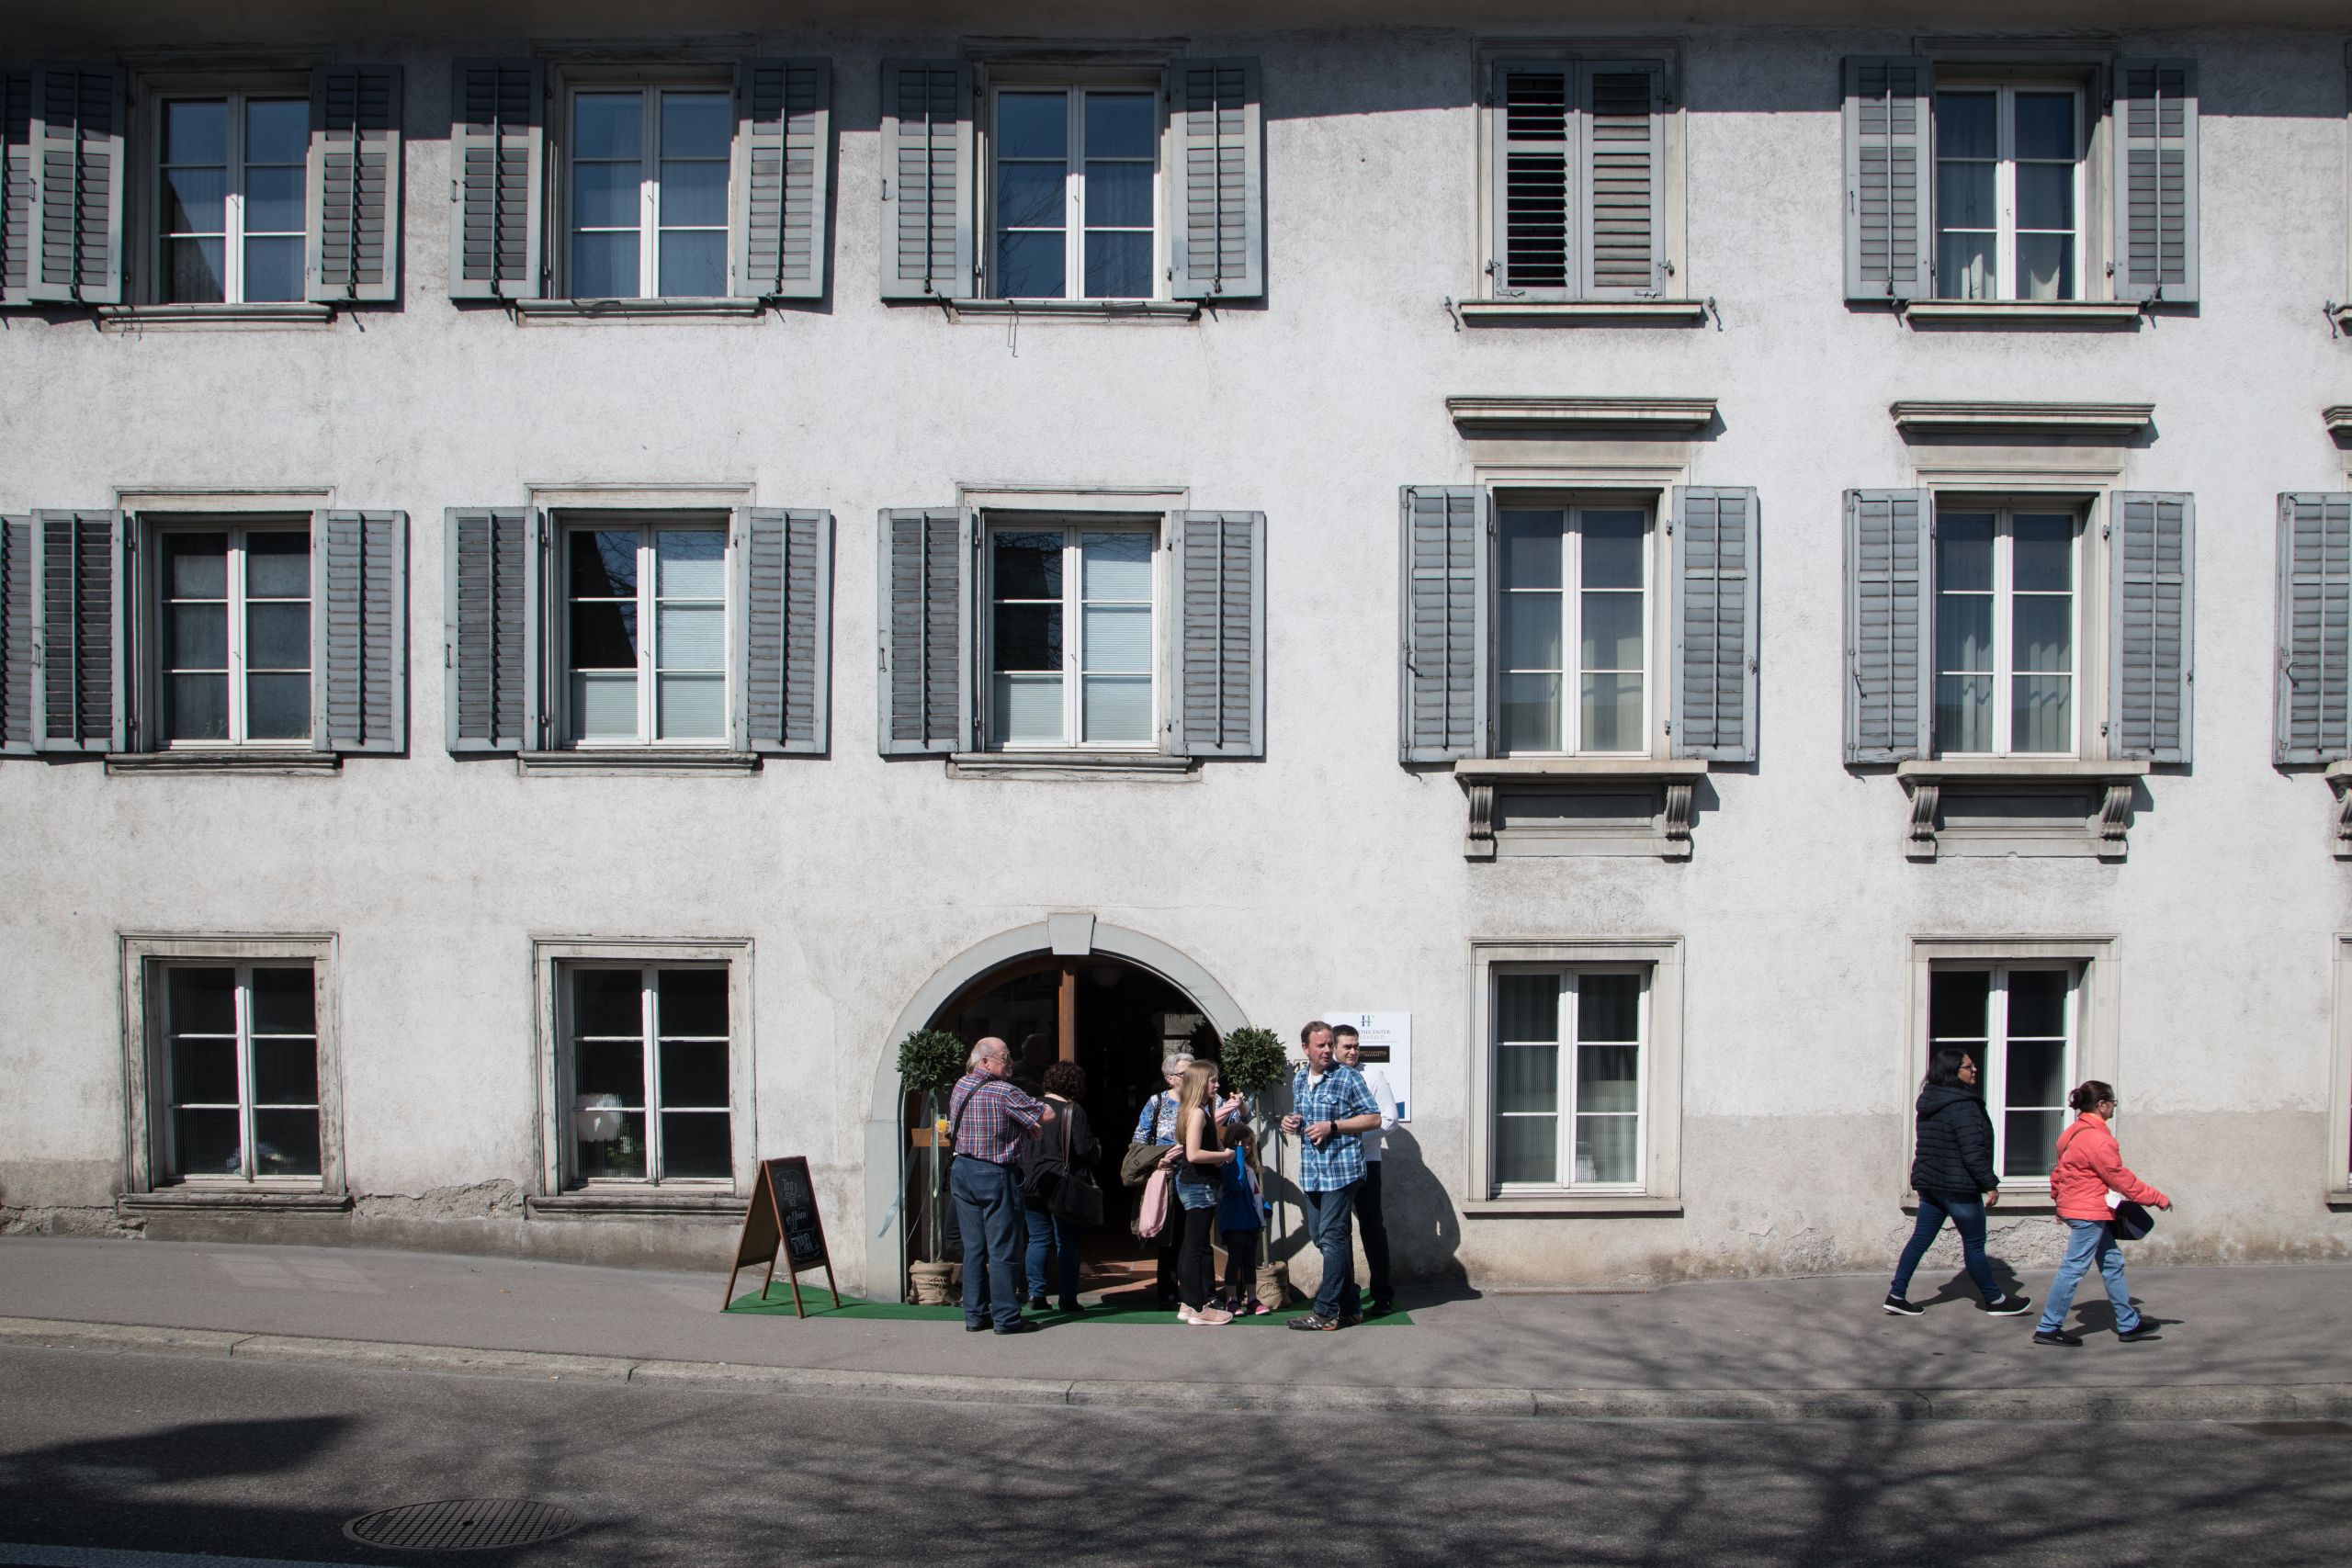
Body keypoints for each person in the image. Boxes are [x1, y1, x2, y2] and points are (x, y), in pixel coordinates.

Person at [1883, 1044, 2030, 1316]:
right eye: (1968, 1066)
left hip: (1931, 1185)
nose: (1975, 1070)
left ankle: (1896, 1294)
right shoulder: (1964, 1106)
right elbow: (1972, 1151)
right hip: (1958, 1186)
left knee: (1919, 1240)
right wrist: (1989, 1183)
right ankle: (1994, 1300)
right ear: (1953, 1071)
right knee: (1974, 1244)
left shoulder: (1929, 1101)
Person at [2033, 1081, 2172, 1347]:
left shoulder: (2072, 1133)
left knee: (2111, 1262)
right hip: (2088, 1211)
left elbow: (2060, 1172)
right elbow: (2120, 1179)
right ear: (2102, 1104)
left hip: (2082, 1207)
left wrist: (2058, 1201)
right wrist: (2156, 1198)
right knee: (2073, 1268)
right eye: (2113, 1104)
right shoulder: (2098, 1139)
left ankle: (2128, 1322)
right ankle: (2048, 1327)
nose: (2114, 1109)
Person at [946, 1036, 1053, 1336]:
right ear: (985, 1061)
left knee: (974, 1249)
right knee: (1003, 1248)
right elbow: (1047, 1113)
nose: (1009, 1063)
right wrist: (1028, 1123)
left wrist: (1022, 1123)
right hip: (994, 1174)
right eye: (1004, 1057)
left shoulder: (960, 1086)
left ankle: (975, 1315)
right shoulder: (1004, 1092)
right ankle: (1006, 1317)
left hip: (962, 1171)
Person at [1280, 1021, 1383, 1331]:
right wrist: (1291, 1123)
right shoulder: (1299, 1080)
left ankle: (1325, 1311)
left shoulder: (1347, 1077)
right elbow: (1306, 1120)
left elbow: (1374, 1117)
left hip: (1342, 1171)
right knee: (1321, 1236)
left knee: (1335, 1236)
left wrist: (1334, 1126)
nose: (1327, 1050)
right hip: (1312, 1173)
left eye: (1329, 1045)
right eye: (1321, 1046)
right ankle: (1350, 1306)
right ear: (1306, 1049)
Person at [1022, 1060, 1098, 1314]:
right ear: (1074, 1084)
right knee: (1067, 1241)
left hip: (1032, 1181)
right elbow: (1085, 1149)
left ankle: (1036, 1294)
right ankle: (1067, 1297)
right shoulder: (1072, 1110)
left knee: (1038, 1239)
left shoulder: (1030, 1108)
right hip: (1063, 1184)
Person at [1332, 1025, 1396, 1314]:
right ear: (1333, 1047)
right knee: (1338, 1231)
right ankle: (1348, 1292)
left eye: (1356, 1046)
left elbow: (1389, 1119)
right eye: (1347, 1046)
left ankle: (1382, 1294)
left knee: (1372, 1229)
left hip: (1367, 1163)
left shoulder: (1373, 1076)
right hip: (1335, 1166)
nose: (1353, 1051)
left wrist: (1351, 1137)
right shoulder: (1329, 1077)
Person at [1171, 1061, 1238, 1325]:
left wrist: (1218, 1154)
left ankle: (1189, 1304)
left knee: (1191, 1245)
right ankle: (1197, 1306)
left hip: (1196, 1183)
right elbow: (1193, 1154)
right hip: (1198, 1184)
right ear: (1201, 1083)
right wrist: (1224, 1154)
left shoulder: (1197, 1110)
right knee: (1196, 1248)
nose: (1217, 1085)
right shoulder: (1197, 1113)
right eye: (1213, 1080)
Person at [1133, 1052, 1193, 1303]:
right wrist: (1155, 1161)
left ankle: (1194, 1292)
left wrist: (1241, 1105)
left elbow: (1233, 1119)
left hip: (1196, 1178)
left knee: (1193, 1237)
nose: (1192, 1077)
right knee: (1168, 1238)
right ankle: (1168, 1293)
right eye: (1185, 1073)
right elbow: (1139, 1139)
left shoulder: (1204, 1099)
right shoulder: (1156, 1103)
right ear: (1170, 1079)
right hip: (1167, 1179)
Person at [1216, 1091, 1270, 1314]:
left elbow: (1254, 1192)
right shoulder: (1229, 1165)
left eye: (1248, 1144)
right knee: (1234, 1261)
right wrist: (1236, 1152)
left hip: (1251, 1222)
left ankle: (1253, 1298)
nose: (1245, 1147)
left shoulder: (1249, 1167)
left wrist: (1264, 1206)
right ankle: (1231, 1298)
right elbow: (1237, 1185)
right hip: (1234, 1221)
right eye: (1241, 1144)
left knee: (1249, 1262)